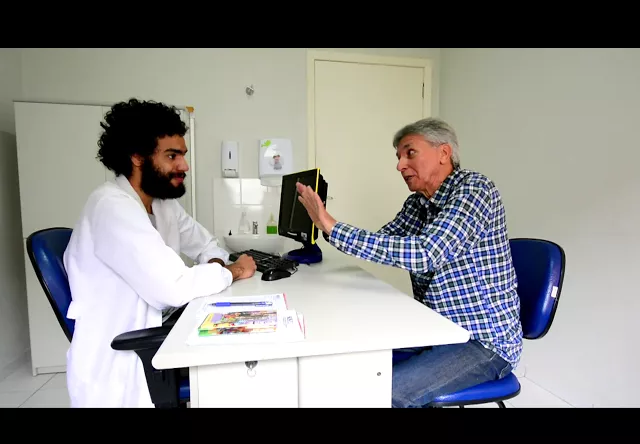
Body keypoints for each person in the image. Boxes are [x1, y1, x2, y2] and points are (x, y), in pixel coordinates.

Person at [296, 117, 522, 408]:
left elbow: (426, 253)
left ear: (444, 153)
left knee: (381, 394)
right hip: (434, 329)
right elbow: (380, 242)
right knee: (349, 360)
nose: (400, 165)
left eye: (410, 153)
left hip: (483, 342)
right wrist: (325, 226)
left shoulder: (474, 190)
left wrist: (332, 225)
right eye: (398, 157)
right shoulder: (417, 204)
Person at [63, 98, 256, 408]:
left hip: (161, 333)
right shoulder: (112, 207)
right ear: (137, 157)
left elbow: (207, 245)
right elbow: (173, 289)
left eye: (183, 155)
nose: (184, 166)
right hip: (121, 366)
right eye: (172, 155)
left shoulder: (162, 204)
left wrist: (214, 266)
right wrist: (233, 271)